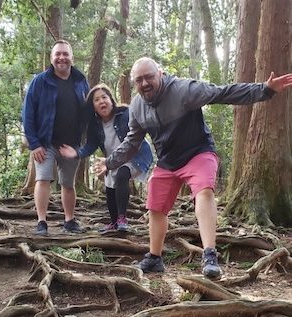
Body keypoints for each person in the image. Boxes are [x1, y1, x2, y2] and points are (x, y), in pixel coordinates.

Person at [93, 57, 292, 279]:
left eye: (149, 77)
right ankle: (155, 258)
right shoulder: (138, 107)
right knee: (155, 207)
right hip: (168, 160)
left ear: (161, 73)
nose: (145, 83)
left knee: (204, 192)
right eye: (139, 80)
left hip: (198, 152)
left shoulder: (184, 90)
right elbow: (132, 142)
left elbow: (222, 93)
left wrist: (264, 90)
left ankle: (209, 255)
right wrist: (109, 162)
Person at [59, 83, 153, 232]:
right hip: (112, 159)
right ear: (93, 106)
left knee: (122, 174)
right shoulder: (95, 125)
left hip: (136, 155)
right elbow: (91, 145)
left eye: (104, 97)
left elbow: (138, 134)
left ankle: (122, 219)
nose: (101, 101)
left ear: (111, 99)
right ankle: (114, 222)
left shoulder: (126, 114)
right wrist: (77, 153)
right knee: (110, 187)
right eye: (96, 100)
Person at [22, 40, 90, 236]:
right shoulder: (40, 81)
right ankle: (41, 222)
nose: (62, 57)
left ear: (71, 58)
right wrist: (34, 144)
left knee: (68, 183)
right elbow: (27, 114)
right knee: (43, 179)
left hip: (71, 145)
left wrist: (81, 145)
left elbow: (87, 112)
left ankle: (69, 220)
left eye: (65, 54)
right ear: (52, 58)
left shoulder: (80, 81)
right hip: (45, 142)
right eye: (58, 54)